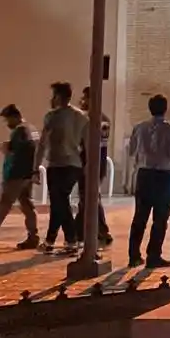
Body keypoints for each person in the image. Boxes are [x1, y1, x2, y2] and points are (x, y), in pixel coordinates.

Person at [126, 94, 170, 268]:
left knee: (140, 216)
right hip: (163, 177)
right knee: (160, 218)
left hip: (144, 174)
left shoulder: (139, 128)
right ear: (165, 109)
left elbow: (131, 151)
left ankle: (133, 255)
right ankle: (153, 255)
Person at [35, 82, 86, 253]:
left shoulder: (52, 116)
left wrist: (36, 166)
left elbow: (42, 144)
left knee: (60, 201)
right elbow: (87, 144)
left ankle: (72, 240)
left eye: (54, 95)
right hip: (75, 164)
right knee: (59, 201)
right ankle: (50, 240)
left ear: (59, 96)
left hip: (57, 164)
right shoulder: (81, 116)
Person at [77, 86, 114, 248]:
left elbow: (97, 146)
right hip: (91, 163)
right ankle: (81, 231)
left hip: (91, 164)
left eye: (85, 98)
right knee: (87, 199)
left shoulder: (98, 120)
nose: (83, 101)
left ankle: (101, 231)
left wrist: (89, 164)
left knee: (90, 198)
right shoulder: (96, 118)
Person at [0, 104, 40, 249]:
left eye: (8, 119)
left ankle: (33, 236)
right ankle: (33, 236)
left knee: (3, 205)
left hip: (16, 174)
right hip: (27, 174)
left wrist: (6, 148)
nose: (7, 123)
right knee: (27, 205)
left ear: (15, 116)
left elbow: (14, 150)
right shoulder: (31, 129)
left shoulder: (20, 130)